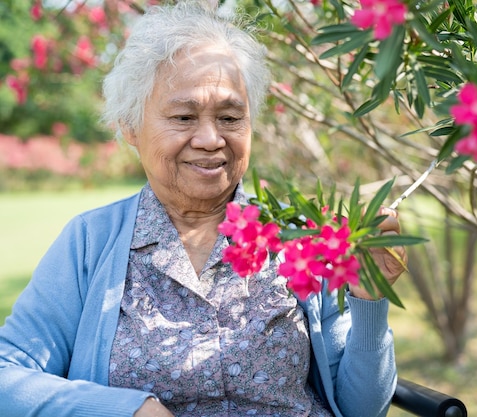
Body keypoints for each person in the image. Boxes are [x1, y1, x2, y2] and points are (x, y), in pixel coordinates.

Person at [0, 2, 406, 416]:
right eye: (183, 116)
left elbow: (363, 409)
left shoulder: (300, 235)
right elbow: (6, 374)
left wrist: (369, 297)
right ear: (130, 125)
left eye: (230, 117)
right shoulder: (91, 242)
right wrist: (126, 410)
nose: (211, 139)